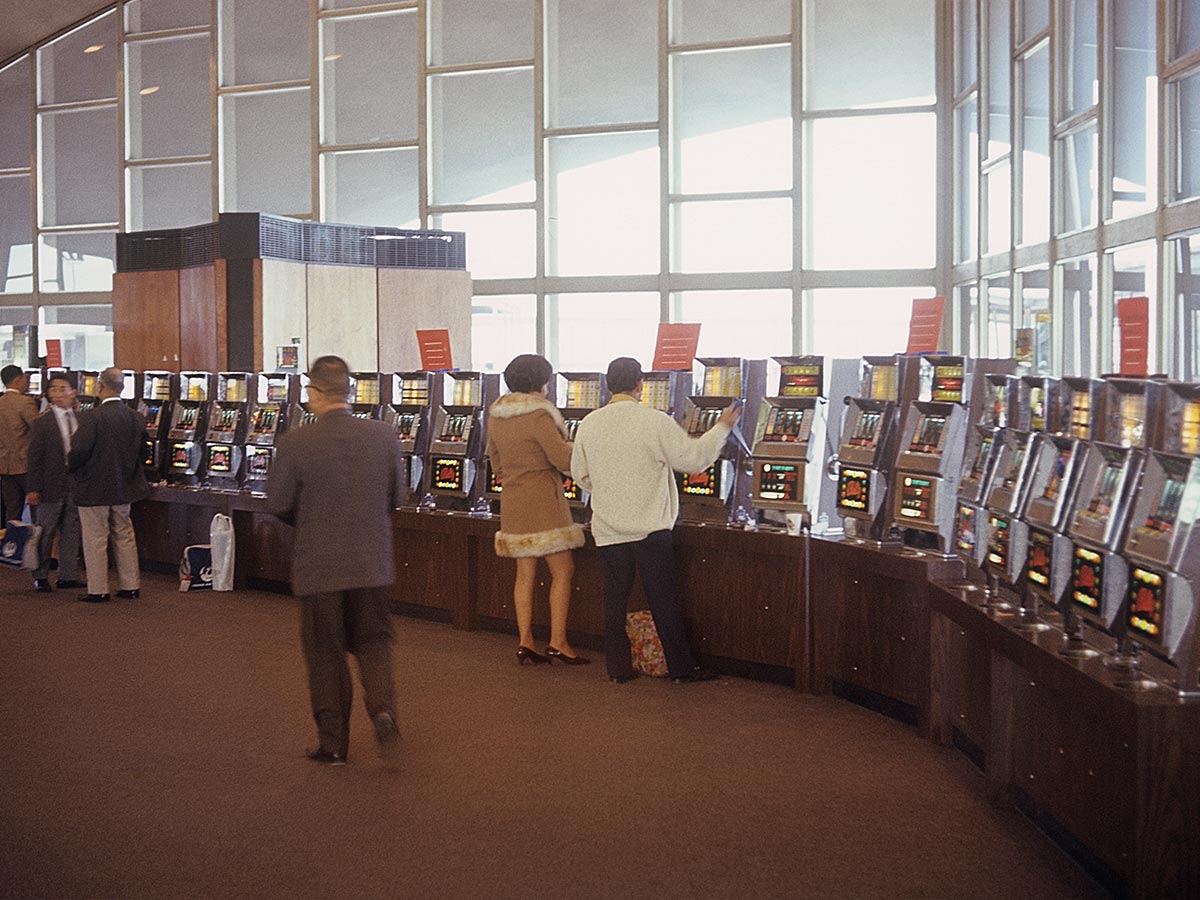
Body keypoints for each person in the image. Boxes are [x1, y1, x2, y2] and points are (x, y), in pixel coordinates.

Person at [266, 355, 404, 767]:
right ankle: (383, 709)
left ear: (313, 392)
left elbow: (278, 502)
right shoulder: (385, 435)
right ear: (350, 390)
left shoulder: (295, 441)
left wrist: (309, 522)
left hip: (320, 565)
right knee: (374, 643)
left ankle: (334, 744)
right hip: (371, 562)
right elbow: (396, 498)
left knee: (325, 654)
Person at [570, 356, 741, 684]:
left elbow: (580, 474)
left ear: (607, 386)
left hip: (607, 527)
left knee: (614, 599)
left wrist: (608, 489)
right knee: (663, 600)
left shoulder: (589, 423)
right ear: (640, 384)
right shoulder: (654, 421)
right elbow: (692, 461)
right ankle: (681, 668)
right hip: (651, 528)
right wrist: (722, 427)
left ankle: (617, 669)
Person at [486, 354, 587, 666]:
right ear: (538, 383)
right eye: (547, 381)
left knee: (525, 574)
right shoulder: (540, 416)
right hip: (544, 500)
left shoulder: (496, 416)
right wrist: (583, 449)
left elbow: (496, 464)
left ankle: (526, 641)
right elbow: (562, 460)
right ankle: (558, 641)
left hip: (513, 501)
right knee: (563, 570)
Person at [68, 366, 150, 603]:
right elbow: (145, 451)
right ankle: (131, 585)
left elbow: (79, 451)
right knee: (124, 535)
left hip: (93, 487)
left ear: (100, 386)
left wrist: (72, 468)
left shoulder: (92, 417)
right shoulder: (136, 417)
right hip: (125, 486)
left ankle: (98, 589)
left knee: (95, 538)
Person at [25, 373, 84, 592]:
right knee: (45, 532)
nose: (58, 394)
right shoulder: (42, 423)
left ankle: (68, 575)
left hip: (75, 484)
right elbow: (34, 458)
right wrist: (33, 488)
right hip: (49, 486)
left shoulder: (81, 419)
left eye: (63, 389)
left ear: (73, 392)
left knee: (71, 531)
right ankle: (40, 575)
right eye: (54, 389)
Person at [0, 365, 38, 524]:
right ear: (18, 379)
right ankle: (35, 548)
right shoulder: (25, 402)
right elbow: (38, 430)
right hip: (26, 466)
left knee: (12, 512)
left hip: (4, 467)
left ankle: (12, 546)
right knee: (36, 511)